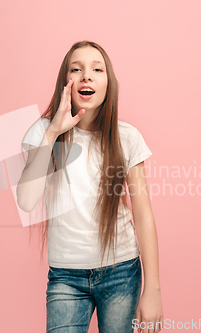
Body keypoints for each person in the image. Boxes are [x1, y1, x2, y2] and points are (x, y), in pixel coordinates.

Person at [17, 41, 163, 333]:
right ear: (65, 82)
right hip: (65, 277)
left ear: (109, 83)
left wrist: (153, 289)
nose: (87, 76)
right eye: (76, 69)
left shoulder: (127, 137)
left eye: (97, 69)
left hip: (122, 272)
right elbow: (26, 200)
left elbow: (143, 214)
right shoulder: (43, 132)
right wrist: (55, 130)